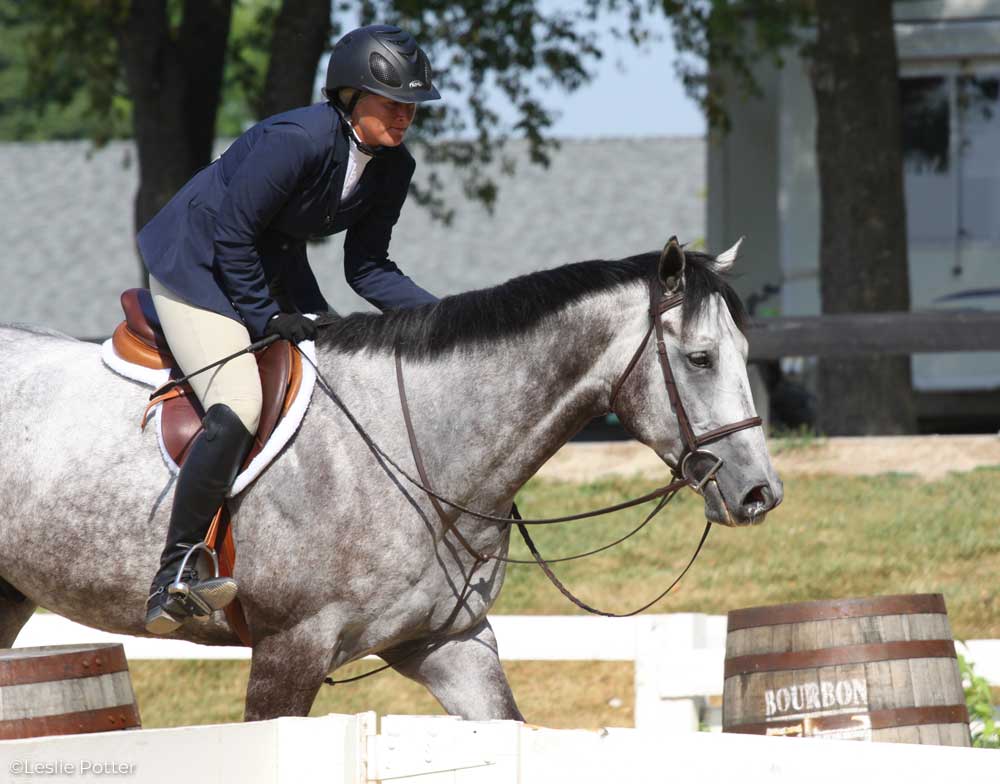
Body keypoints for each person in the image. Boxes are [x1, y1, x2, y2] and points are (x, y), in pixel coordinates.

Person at [139, 24, 440, 635]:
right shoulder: (296, 139)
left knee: (341, 380)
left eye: (412, 104)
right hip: (196, 268)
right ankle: (175, 573)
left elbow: (369, 268)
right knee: (239, 400)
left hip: (268, 268)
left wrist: (446, 320)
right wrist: (266, 318)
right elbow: (231, 236)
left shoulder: (393, 166)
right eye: (392, 103)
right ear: (351, 98)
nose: (405, 115)